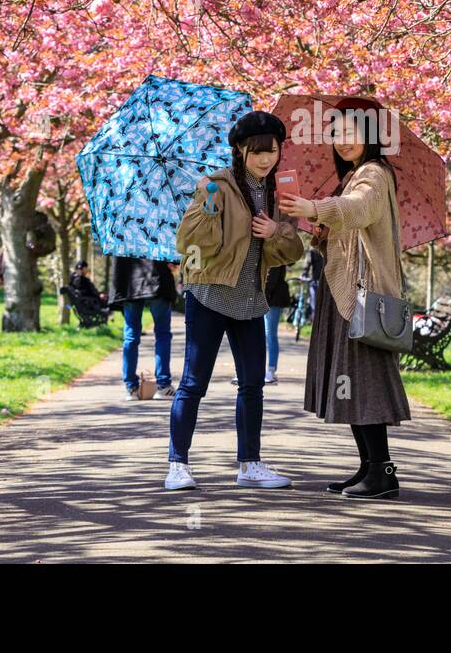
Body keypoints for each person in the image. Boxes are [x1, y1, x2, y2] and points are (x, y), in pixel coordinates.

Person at [165, 110, 305, 492]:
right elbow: (191, 245)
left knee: (252, 385)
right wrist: (209, 212)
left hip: (251, 301)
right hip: (209, 295)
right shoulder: (215, 185)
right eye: (257, 151)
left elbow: (293, 249)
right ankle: (177, 464)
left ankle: (250, 464)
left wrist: (275, 230)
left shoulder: (281, 192)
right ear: (240, 150)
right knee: (193, 383)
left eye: (272, 151)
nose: (265, 158)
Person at [279, 99, 410, 500]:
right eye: (336, 133)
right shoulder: (354, 175)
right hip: (346, 292)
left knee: (365, 384)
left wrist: (314, 207)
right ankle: (370, 468)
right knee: (351, 385)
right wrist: (320, 230)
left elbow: (358, 210)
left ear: (370, 136)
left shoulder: (373, 174)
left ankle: (384, 473)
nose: (342, 140)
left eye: (351, 132)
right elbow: (350, 228)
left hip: (363, 295)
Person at [108, 256, 176, 400]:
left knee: (131, 337)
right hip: (157, 275)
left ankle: (131, 388)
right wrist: (175, 261)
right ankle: (163, 386)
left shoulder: (121, 231)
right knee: (162, 334)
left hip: (128, 279)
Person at [262, 265, 291, 384]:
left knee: (270, 334)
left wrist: (263, 296)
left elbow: (271, 278)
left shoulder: (274, 255)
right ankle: (266, 370)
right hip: (269, 298)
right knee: (266, 334)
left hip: (273, 299)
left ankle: (271, 370)